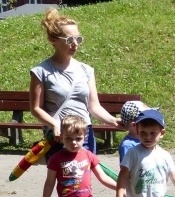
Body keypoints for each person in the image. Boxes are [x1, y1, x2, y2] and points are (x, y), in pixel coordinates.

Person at [30, 8, 120, 155]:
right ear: (53, 40)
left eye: (78, 39)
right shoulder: (41, 71)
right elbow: (36, 109)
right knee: (63, 178)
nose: (75, 44)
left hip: (84, 135)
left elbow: (94, 106)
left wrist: (113, 121)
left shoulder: (86, 70)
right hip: (59, 136)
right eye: (69, 40)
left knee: (85, 178)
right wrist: (55, 124)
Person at [118, 101, 149, 197]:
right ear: (133, 124)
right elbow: (126, 170)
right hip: (134, 189)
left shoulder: (147, 140)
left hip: (148, 187)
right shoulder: (128, 145)